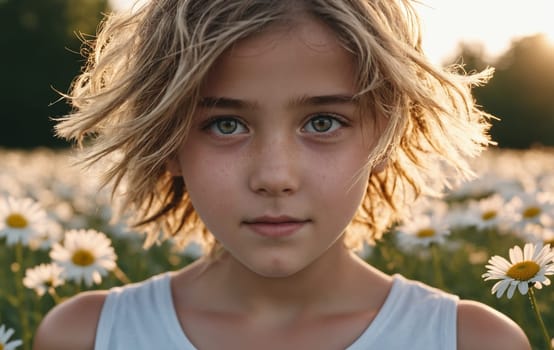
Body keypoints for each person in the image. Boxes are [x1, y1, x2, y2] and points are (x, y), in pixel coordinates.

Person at [33, 0, 530, 349]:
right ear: (168, 145)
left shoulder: (470, 342)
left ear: (385, 136)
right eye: (225, 124)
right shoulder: (86, 337)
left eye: (323, 122)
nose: (275, 176)